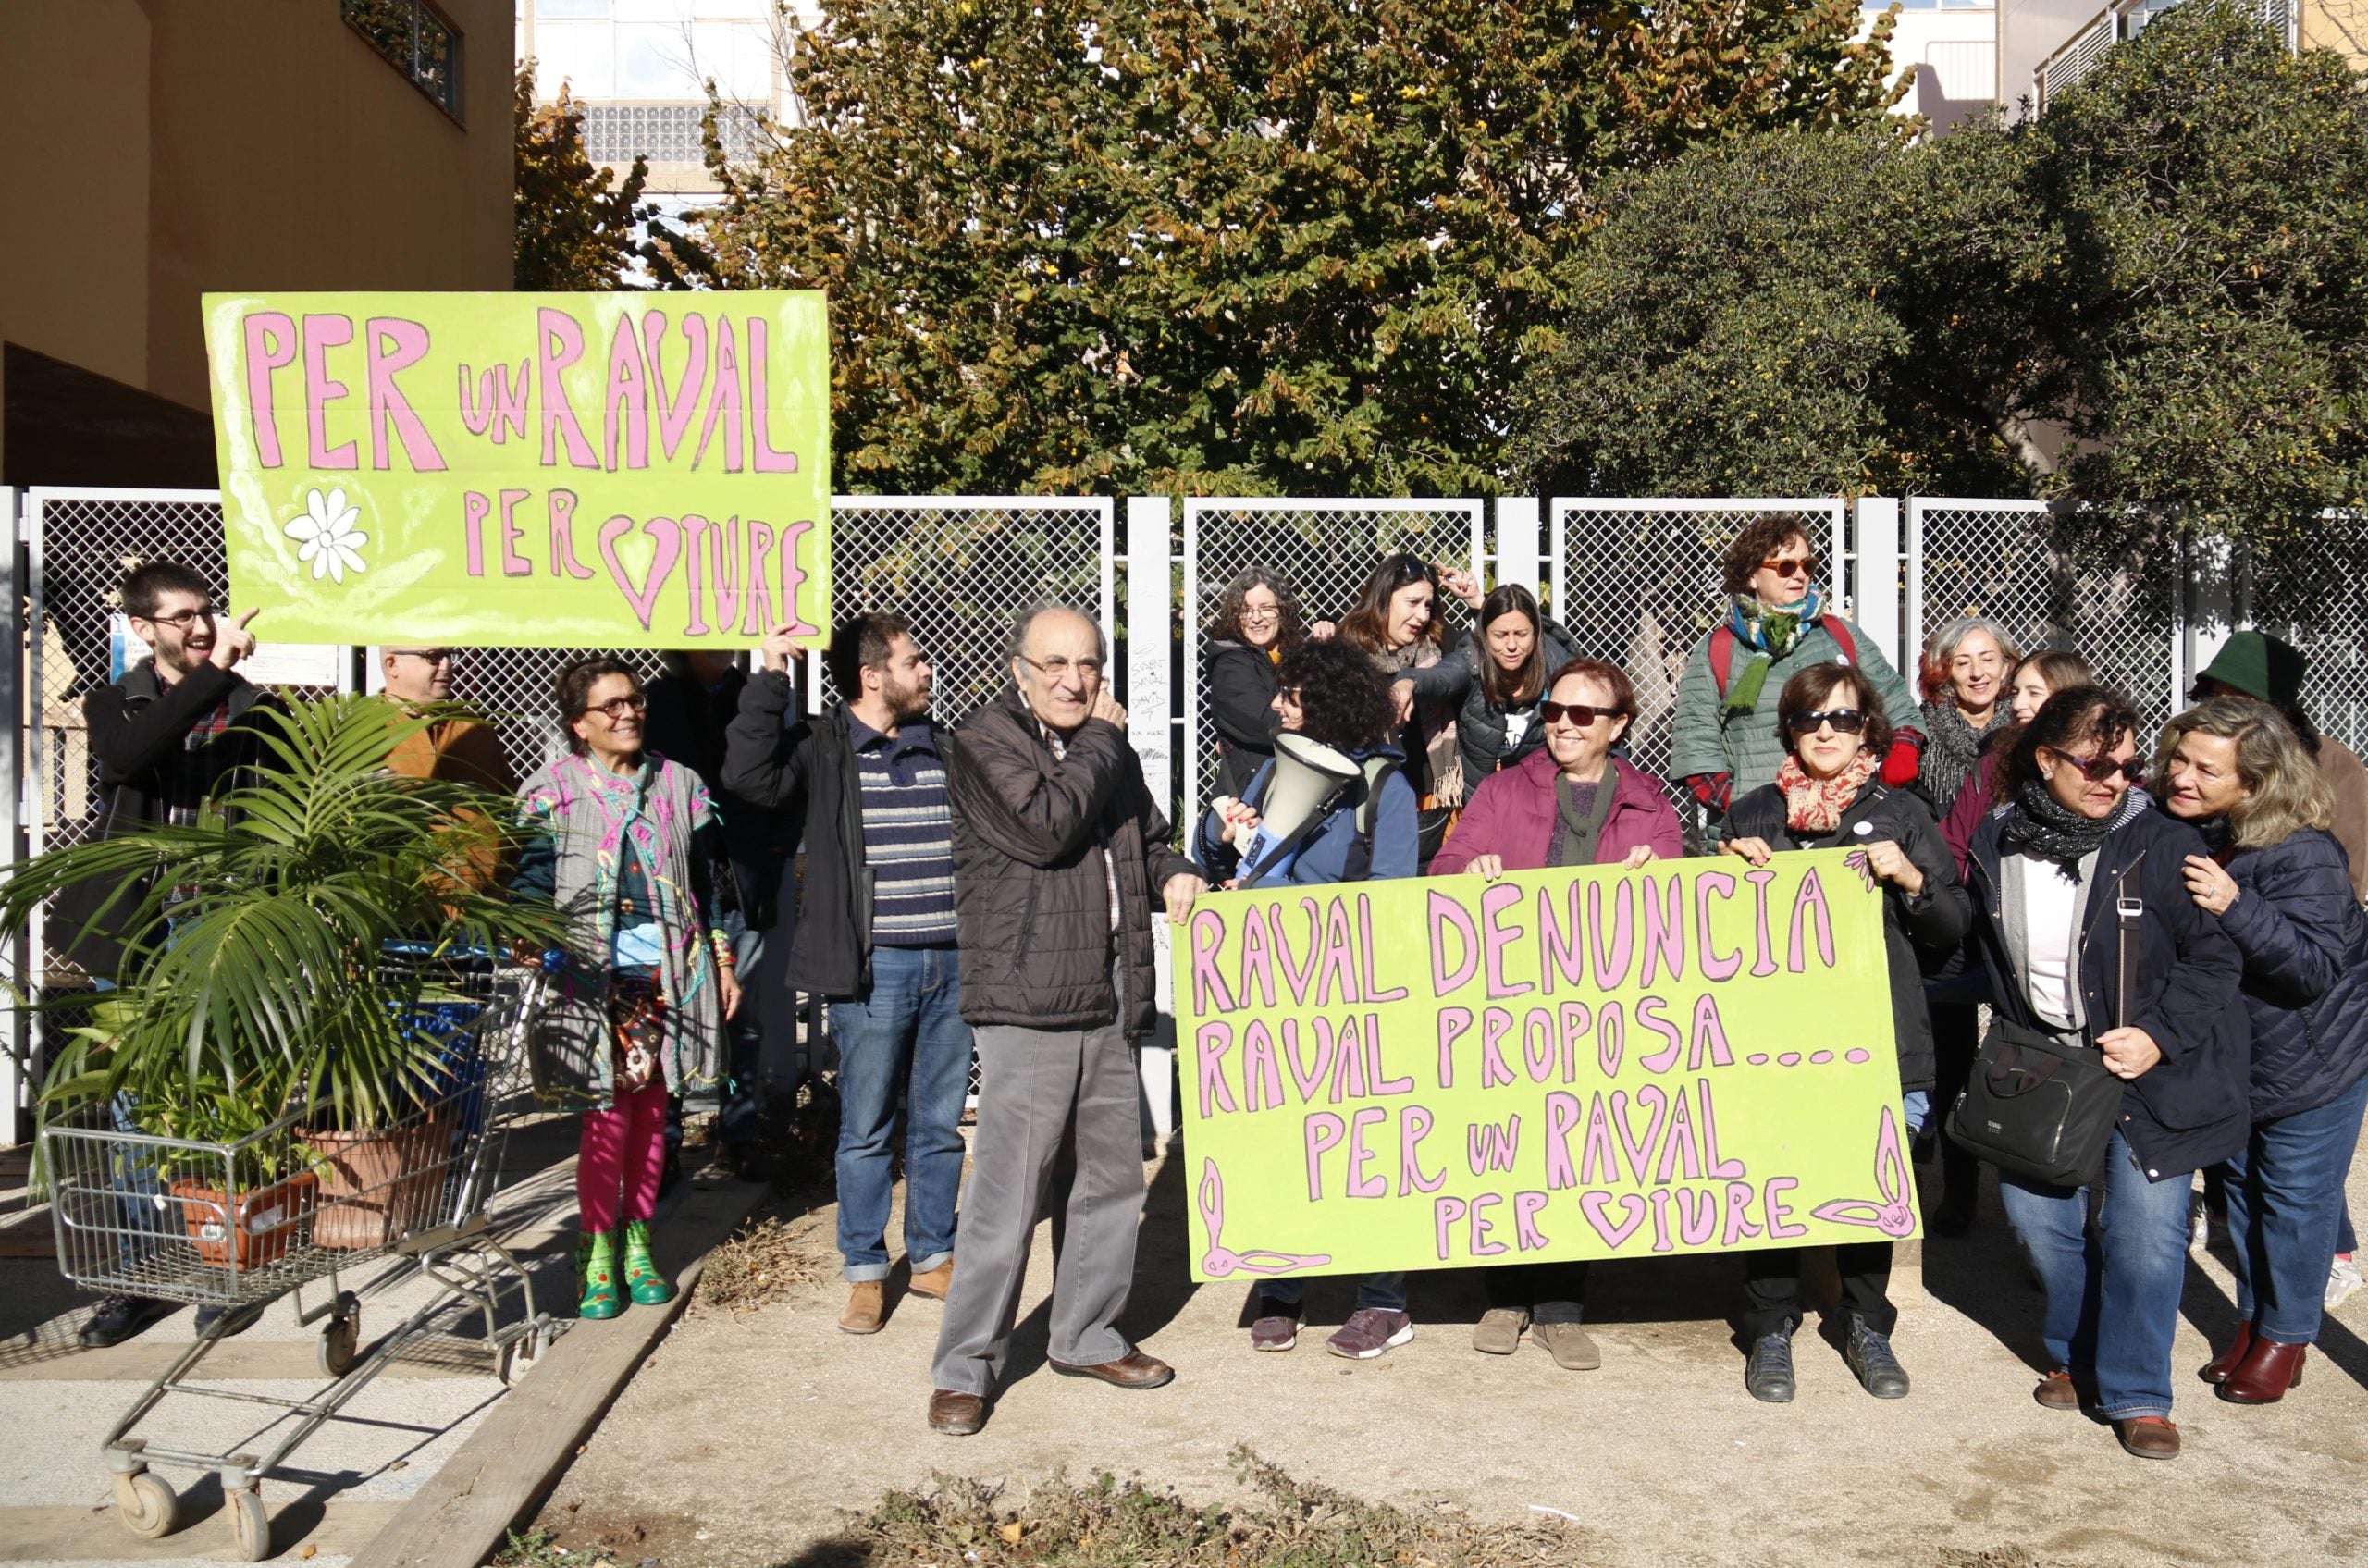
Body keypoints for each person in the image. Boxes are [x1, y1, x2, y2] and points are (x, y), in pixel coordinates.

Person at [925, 606, 1202, 1436]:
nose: (1073, 679)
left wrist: (1178, 870)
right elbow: (1046, 829)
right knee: (1007, 1199)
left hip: (1111, 997)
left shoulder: (1102, 749)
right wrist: (1103, 744)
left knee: (1113, 1183)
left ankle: (1085, 1334)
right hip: (1030, 1006)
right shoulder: (983, 742)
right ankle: (965, 1365)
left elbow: (1146, 839)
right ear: (1018, 669)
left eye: (1087, 663)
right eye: (1054, 663)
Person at [1963, 686, 2249, 1461]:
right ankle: (2078, 1350)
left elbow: (2217, 956)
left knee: (2144, 1235)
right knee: (2040, 1223)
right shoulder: (1996, 839)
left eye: (2127, 766)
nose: (2115, 781)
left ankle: (2137, 1392)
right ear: (2046, 758)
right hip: (2045, 1064)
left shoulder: (2158, 842)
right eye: (2095, 763)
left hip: (2152, 1073)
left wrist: (2158, 1035)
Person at [1718, 662, 1969, 1402]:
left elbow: (1953, 930)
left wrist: (1914, 882)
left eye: (1844, 718)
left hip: (1877, 1034)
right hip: (1774, 1042)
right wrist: (1725, 875)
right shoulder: (1754, 813)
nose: (1826, 732)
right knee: (1771, 1180)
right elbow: (1710, 940)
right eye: (1810, 719)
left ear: (1869, 728)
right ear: (1789, 729)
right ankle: (1769, 1325)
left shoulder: (1902, 813)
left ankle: (1866, 1323)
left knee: (1869, 1178)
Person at [723, 614, 973, 1335]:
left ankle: (931, 1257)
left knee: (939, 1124)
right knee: (865, 1126)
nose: (928, 671)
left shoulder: (944, 747)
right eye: (915, 659)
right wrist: (770, 675)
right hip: (872, 968)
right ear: (873, 676)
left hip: (954, 962)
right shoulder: (823, 746)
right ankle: (865, 1270)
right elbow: (747, 776)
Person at [1431, 658, 1683, 1371]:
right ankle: (1506, 1296)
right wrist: (1470, 873)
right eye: (1554, 712)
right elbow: (1445, 868)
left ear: (1618, 726)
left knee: (1583, 1148)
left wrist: (1655, 881)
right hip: (1512, 1001)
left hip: (1602, 1008)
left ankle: (1562, 1307)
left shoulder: (1647, 802)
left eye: (1582, 715)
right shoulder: (1505, 787)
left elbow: (1674, 893)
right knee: (1514, 1145)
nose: (1563, 725)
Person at [1198, 638, 1420, 1357]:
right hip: (1274, 991)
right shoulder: (1269, 772)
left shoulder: (1385, 790)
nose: (1273, 704)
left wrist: (1286, 890)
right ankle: (1282, 1284)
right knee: (1280, 1138)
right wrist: (1220, 828)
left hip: (1352, 996)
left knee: (1366, 1144)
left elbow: (1390, 905)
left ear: (1321, 704)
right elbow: (1212, 858)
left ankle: (1382, 1298)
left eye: (1289, 694)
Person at [68, 561, 265, 1349]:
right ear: (143, 628)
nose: (200, 626)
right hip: (136, 925)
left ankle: (226, 1262)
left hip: (220, 928)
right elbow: (126, 760)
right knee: (133, 1101)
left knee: (220, 1091)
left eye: (206, 612)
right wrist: (210, 676)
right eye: (181, 616)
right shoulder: (116, 699)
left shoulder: (252, 706)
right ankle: (137, 1274)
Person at [513, 659, 742, 1321]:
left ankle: (640, 1247)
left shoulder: (681, 785)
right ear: (579, 723)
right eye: (609, 706)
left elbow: (710, 888)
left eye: (634, 700)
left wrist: (722, 961)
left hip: (668, 979)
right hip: (589, 983)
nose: (628, 713)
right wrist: (535, 941)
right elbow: (527, 887)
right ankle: (598, 1253)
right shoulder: (551, 791)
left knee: (652, 1118)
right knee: (604, 1121)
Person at [2158, 699, 2368, 1403]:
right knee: (2243, 1195)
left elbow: (2312, 968)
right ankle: (2254, 1321)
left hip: (2315, 1062)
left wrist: (2234, 905)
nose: (2180, 775)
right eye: (2179, 758)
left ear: (2255, 782)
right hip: (2244, 1058)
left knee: (2296, 1203)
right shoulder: (2215, 832)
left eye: (2203, 768)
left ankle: (2288, 1336)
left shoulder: (2303, 852)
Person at [644, 648, 790, 1184]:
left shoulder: (755, 695)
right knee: (668, 1013)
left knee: (741, 1016)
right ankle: (666, 1145)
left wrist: (775, 848)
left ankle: (739, 1136)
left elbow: (784, 775)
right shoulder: (654, 701)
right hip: (677, 882)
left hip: (742, 878)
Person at [1671, 512, 1920, 821]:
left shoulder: (1840, 635)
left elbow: (1896, 703)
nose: (1799, 575)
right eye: (1786, 567)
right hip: (1756, 826)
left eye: (1807, 565)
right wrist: (1740, 806)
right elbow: (1695, 743)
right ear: (1751, 574)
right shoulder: (1718, 649)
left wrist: (1896, 765)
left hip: (1848, 818)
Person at [1912, 617, 2021, 1238]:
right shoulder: (1924, 732)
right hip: (1946, 898)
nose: (1977, 670)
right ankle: (1958, 1187)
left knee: (2017, 1049)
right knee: (1950, 1051)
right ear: (1943, 671)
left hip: (2010, 903)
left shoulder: (2029, 730)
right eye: (1962, 661)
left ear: (2008, 666)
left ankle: (2024, 1183)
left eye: (1988, 658)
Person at [2189, 630, 2368, 906]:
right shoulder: (2192, 751)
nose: (2223, 709)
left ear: (2276, 709)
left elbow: (2347, 877)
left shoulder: (2334, 765)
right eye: (2215, 695)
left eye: (2239, 698)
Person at [1337, 553, 1480, 866]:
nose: (1422, 615)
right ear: (1384, 597)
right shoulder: (1346, 653)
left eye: (1428, 605)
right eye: (1413, 602)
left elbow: (1490, 646)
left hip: (1429, 807)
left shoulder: (1440, 645)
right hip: (1361, 806)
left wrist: (1477, 602)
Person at [1941, 650, 2095, 877]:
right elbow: (1955, 844)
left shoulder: (2100, 771)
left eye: (2034, 693)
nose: (2017, 704)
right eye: (2016, 692)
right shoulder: (1993, 765)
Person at [1428, 581, 1586, 789]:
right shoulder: (1472, 658)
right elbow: (1442, 676)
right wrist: (1408, 683)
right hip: (1482, 802)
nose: (1511, 645)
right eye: (1500, 636)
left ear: (1536, 633)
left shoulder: (1559, 665)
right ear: (1485, 636)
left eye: (1521, 634)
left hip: (1544, 800)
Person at [1202, 568, 1320, 801]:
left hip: (1294, 786)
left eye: (1266, 608)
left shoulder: (1295, 655)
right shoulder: (1230, 664)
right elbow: (1266, 724)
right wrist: (1327, 724)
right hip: (1251, 794)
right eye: (1246, 611)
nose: (1256, 618)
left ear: (1283, 610)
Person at [376, 647, 514, 792]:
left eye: (449, 655)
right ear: (392, 665)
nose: (446, 665)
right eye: (433, 657)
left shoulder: (474, 729)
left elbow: (508, 804)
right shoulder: (366, 730)